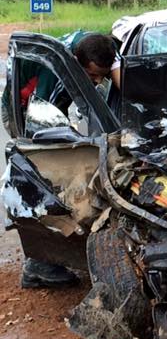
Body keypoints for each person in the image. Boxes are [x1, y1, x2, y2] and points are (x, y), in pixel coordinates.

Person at [15, 31, 118, 289]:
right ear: (75, 62)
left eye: (102, 77)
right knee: (43, 178)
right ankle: (39, 266)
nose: (97, 82)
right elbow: (40, 126)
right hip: (25, 110)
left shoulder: (99, 45)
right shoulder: (54, 72)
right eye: (92, 76)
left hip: (45, 105)